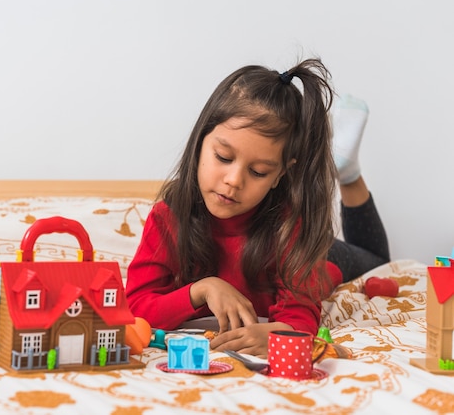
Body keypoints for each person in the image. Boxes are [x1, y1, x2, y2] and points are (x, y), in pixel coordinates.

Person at [124, 58, 390, 358]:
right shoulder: (167, 218)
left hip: (319, 256)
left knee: (379, 259)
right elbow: (134, 307)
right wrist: (202, 289)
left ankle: (349, 172)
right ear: (200, 143)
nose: (233, 181)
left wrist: (280, 335)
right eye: (224, 157)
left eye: (259, 172)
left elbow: (299, 320)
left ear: (280, 175)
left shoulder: (292, 226)